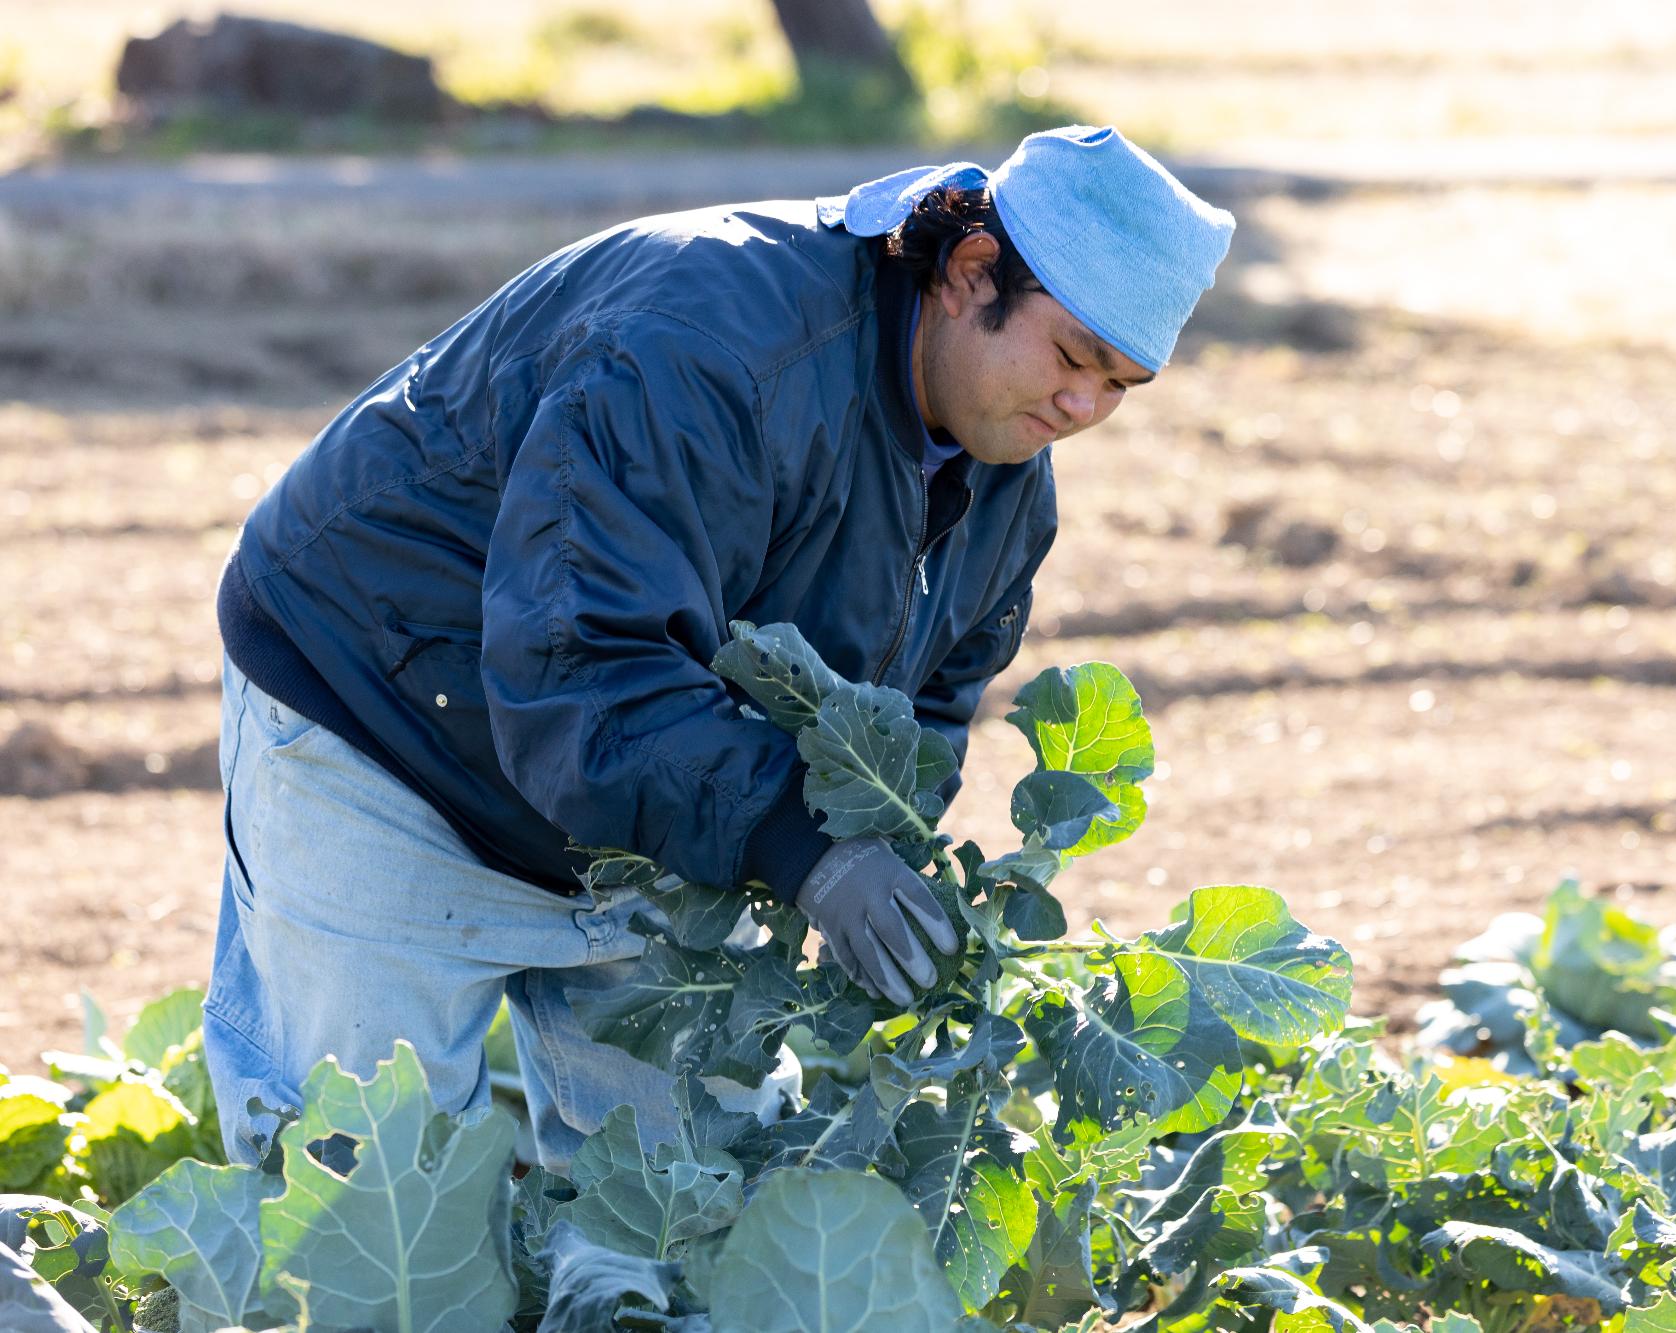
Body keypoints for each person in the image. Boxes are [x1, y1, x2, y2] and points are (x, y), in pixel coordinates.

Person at [204, 124, 1235, 1170]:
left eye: (1120, 385)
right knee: (362, 1208)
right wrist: (803, 849)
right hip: (388, 718)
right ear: (971, 273)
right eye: (1071, 357)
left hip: (644, 805)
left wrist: (880, 843)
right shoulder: (708, 351)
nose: (1083, 408)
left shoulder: (1005, 473)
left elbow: (921, 704)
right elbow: (581, 667)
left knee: (698, 1208)